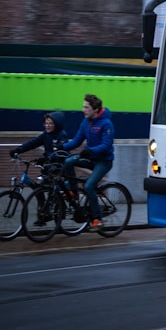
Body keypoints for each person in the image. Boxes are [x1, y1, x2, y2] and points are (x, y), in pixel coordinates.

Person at [60, 94, 114, 229]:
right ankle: (74, 192)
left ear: (95, 109)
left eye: (86, 107)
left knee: (89, 186)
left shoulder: (106, 123)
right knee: (68, 162)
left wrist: (91, 150)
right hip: (90, 158)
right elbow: (77, 140)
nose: (83, 110)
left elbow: (106, 145)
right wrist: (62, 147)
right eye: (83, 107)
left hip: (103, 161)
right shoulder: (86, 122)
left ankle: (97, 219)